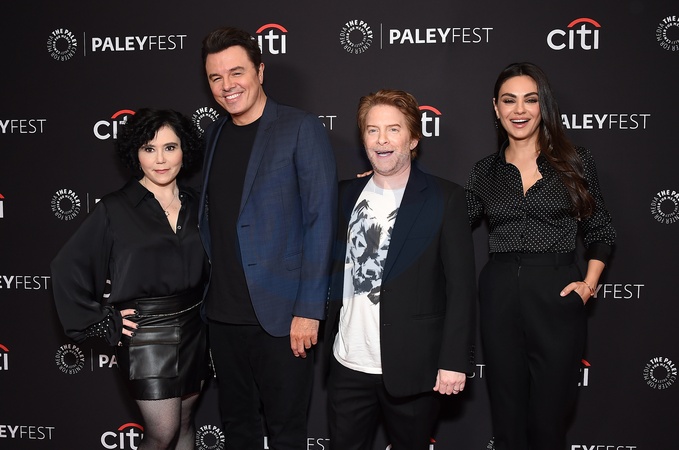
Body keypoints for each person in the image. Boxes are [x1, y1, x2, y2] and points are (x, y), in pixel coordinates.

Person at [198, 27, 338, 450]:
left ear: (260, 71)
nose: (227, 85)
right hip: (223, 317)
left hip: (282, 318)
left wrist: (308, 310)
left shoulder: (300, 127)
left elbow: (321, 221)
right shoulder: (214, 135)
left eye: (236, 72)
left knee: (286, 433)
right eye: (216, 77)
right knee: (237, 430)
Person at [465, 62, 616, 450]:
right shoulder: (485, 171)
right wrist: (390, 181)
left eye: (530, 100)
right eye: (509, 100)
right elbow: (453, 220)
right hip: (499, 293)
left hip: (556, 292)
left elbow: (600, 230)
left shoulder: (575, 161)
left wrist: (588, 284)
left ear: (543, 105)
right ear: (495, 107)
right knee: (507, 421)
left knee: (549, 422)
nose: (519, 110)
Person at [325, 89, 477, 450]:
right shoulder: (344, 194)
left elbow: (461, 288)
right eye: (372, 130)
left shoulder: (446, 198)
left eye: (393, 129)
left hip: (414, 368)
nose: (382, 140)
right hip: (348, 364)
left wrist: (454, 361)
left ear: (413, 138)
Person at [51, 108, 209, 450]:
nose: (160, 159)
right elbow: (66, 269)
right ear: (135, 154)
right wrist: (101, 319)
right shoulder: (115, 208)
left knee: (185, 423)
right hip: (146, 333)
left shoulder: (199, 203)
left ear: (185, 150)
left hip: (196, 325)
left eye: (170, 147)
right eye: (149, 148)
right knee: (162, 431)